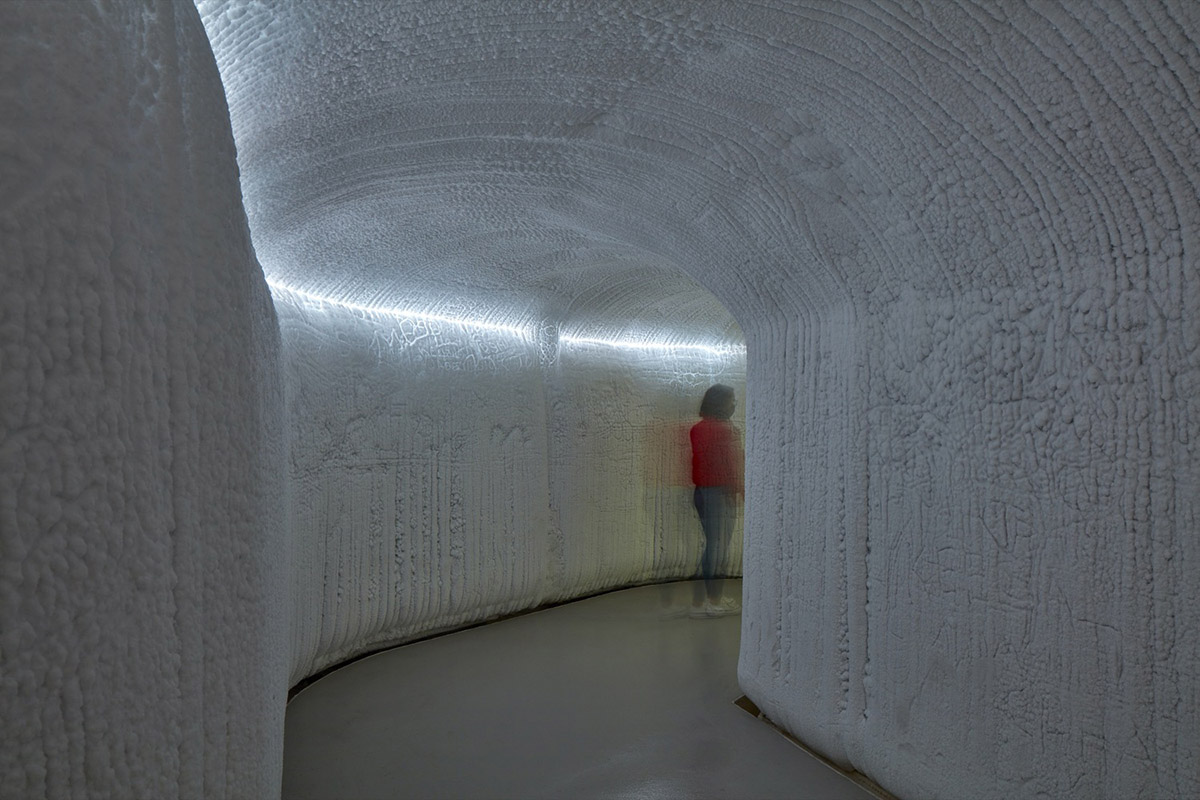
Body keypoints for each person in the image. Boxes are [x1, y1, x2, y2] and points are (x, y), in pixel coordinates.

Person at [689, 384, 743, 617]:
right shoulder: (725, 431)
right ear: (721, 403)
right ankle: (713, 601)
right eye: (732, 400)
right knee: (719, 549)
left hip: (702, 493)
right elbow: (730, 465)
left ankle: (701, 602)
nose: (734, 404)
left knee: (712, 547)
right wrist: (741, 491)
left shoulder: (698, 429)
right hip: (720, 494)